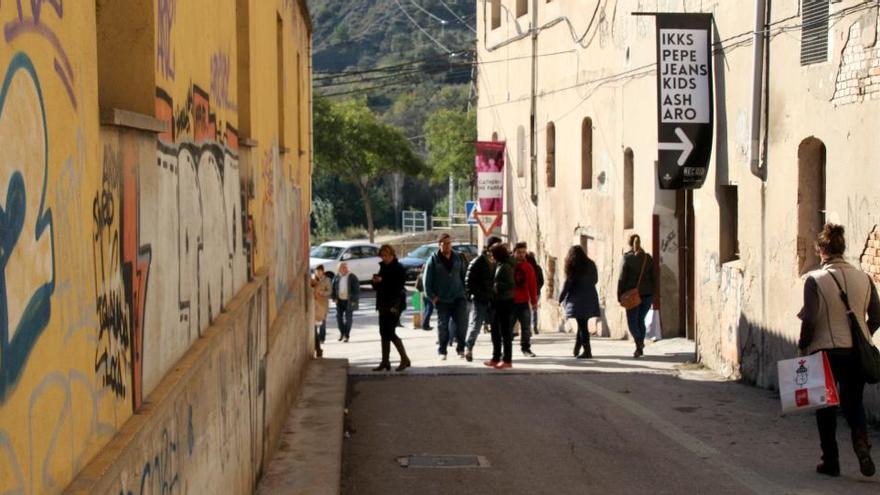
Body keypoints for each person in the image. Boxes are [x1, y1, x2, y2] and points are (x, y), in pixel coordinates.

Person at [798, 223, 880, 478]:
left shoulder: (815, 280)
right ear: (842, 248)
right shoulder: (863, 278)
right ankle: (862, 446)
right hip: (855, 351)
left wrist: (803, 345)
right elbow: (876, 315)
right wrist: (862, 332)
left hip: (825, 351)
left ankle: (831, 461)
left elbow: (810, 318)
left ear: (822, 250)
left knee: (826, 406)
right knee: (853, 402)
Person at [424, 233, 469, 360]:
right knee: (443, 325)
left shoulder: (458, 257)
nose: (447, 245)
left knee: (462, 324)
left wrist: (465, 292)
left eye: (449, 243)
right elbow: (426, 281)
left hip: (458, 296)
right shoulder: (433, 259)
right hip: (442, 298)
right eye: (444, 243)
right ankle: (442, 351)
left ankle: (461, 348)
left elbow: (464, 276)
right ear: (439, 244)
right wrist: (432, 296)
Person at [370, 245, 411, 372]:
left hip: (394, 305)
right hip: (382, 304)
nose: (384, 258)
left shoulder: (398, 268)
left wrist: (383, 280)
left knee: (390, 332)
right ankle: (385, 361)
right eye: (382, 256)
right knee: (383, 332)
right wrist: (375, 282)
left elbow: (398, 286)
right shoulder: (383, 266)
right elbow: (379, 287)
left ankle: (405, 359)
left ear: (392, 255)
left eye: (386, 255)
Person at [558, 246, 600, 359]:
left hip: (577, 300)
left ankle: (587, 351)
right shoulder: (591, 264)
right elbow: (596, 279)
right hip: (590, 297)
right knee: (582, 324)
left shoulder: (574, 266)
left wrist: (560, 298)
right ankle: (577, 348)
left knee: (582, 326)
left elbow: (568, 284)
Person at [617, 234, 655, 358]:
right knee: (640, 320)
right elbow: (654, 277)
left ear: (630, 244)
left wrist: (619, 294)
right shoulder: (648, 258)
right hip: (647, 295)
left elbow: (622, 278)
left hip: (632, 295)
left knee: (632, 321)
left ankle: (639, 343)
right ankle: (641, 343)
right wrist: (654, 293)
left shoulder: (627, 259)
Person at [464, 236, 502, 362]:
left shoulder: (499, 261)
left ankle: (497, 352)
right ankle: (468, 348)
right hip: (480, 299)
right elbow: (468, 280)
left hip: (494, 300)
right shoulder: (478, 261)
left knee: (496, 327)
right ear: (490, 247)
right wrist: (473, 294)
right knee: (476, 325)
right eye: (498, 246)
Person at [485, 243, 515, 369]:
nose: (491, 256)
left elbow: (511, 284)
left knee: (505, 332)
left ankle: (507, 360)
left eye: (492, 254)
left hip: (504, 302)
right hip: (496, 302)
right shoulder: (498, 265)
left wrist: (498, 286)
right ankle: (495, 357)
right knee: (495, 332)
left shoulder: (506, 266)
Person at [512, 242, 538, 357]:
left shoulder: (528, 267)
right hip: (510, 301)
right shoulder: (509, 265)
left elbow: (533, 285)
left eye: (523, 252)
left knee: (526, 327)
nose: (521, 255)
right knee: (507, 328)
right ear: (514, 252)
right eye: (519, 252)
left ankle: (526, 349)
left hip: (523, 301)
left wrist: (534, 302)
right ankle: (504, 350)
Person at [331, 262, 360, 342]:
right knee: (338, 318)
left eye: (345, 267)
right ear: (339, 269)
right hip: (339, 300)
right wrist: (334, 298)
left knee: (348, 319)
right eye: (342, 267)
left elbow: (356, 290)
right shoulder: (337, 277)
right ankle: (342, 333)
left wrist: (354, 300)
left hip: (349, 301)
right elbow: (333, 288)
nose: (344, 268)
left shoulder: (352, 277)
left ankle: (346, 335)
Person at [311, 265, 332, 357]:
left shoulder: (327, 280)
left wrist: (322, 293)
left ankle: (322, 338)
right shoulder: (313, 280)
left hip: (323, 304)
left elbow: (330, 291)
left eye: (320, 271)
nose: (318, 273)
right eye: (317, 271)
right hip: (315, 305)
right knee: (314, 325)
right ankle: (318, 346)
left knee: (322, 322)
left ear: (323, 272)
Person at [526, 252, 544, 335]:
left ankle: (529, 328)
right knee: (534, 310)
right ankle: (535, 326)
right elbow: (542, 281)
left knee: (528, 310)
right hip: (536, 292)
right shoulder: (538, 268)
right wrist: (538, 288)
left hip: (527, 292)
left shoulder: (526, 268)